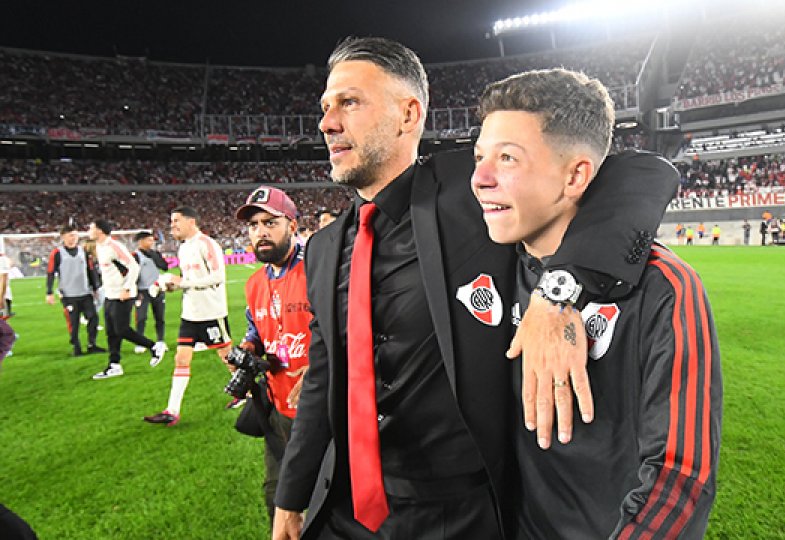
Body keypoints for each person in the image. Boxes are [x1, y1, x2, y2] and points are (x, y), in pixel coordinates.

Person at [272, 37, 674, 540]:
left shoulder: (473, 187)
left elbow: (638, 175)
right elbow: (322, 379)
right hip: (346, 507)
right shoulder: (323, 248)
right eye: (326, 107)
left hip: (455, 512)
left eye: (349, 102)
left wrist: (558, 290)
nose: (327, 123)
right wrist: (291, 496)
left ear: (408, 114)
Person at [471, 67, 720, 539]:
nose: (480, 178)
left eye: (507, 158)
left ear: (576, 176)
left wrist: (558, 289)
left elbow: (679, 476)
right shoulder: (491, 263)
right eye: (479, 156)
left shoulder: (663, 288)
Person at [234, 187, 311, 523]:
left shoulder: (317, 270)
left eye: (270, 222)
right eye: (253, 225)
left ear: (292, 226)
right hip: (278, 408)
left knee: (329, 499)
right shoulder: (254, 283)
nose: (260, 232)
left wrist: (321, 367)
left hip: (320, 409)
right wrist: (247, 350)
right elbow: (256, 330)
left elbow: (349, 329)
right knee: (277, 497)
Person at [144, 206, 233, 426]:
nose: (172, 225)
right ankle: (172, 411)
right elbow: (187, 279)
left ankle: (249, 394)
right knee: (181, 359)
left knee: (228, 358)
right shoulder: (183, 248)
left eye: (176, 221)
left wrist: (183, 283)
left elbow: (218, 277)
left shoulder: (207, 244)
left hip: (211, 312)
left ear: (191, 221)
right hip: (190, 314)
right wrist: (171, 285)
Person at [88, 219, 166, 380]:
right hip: (110, 294)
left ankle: (153, 347)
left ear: (99, 230)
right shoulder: (99, 247)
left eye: (91, 228)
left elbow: (133, 266)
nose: (89, 230)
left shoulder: (114, 246)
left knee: (122, 329)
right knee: (111, 332)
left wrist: (127, 288)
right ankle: (114, 365)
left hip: (123, 295)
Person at [46, 224, 105, 357]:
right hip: (69, 295)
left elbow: (91, 270)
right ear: (63, 237)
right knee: (74, 322)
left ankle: (92, 344)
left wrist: (96, 288)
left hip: (85, 293)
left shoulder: (84, 252)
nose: (73, 238)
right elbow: (50, 272)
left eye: (75, 235)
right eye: (70, 235)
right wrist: (49, 292)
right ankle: (76, 346)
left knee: (93, 318)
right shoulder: (57, 253)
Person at [132, 231, 168, 353]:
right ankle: (140, 342)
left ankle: (161, 341)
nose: (152, 242)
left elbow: (165, 266)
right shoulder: (135, 256)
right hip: (142, 291)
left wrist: (155, 256)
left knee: (160, 317)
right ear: (141, 241)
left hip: (157, 289)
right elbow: (132, 274)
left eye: (152, 240)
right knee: (141, 318)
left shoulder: (155, 254)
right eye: (149, 240)